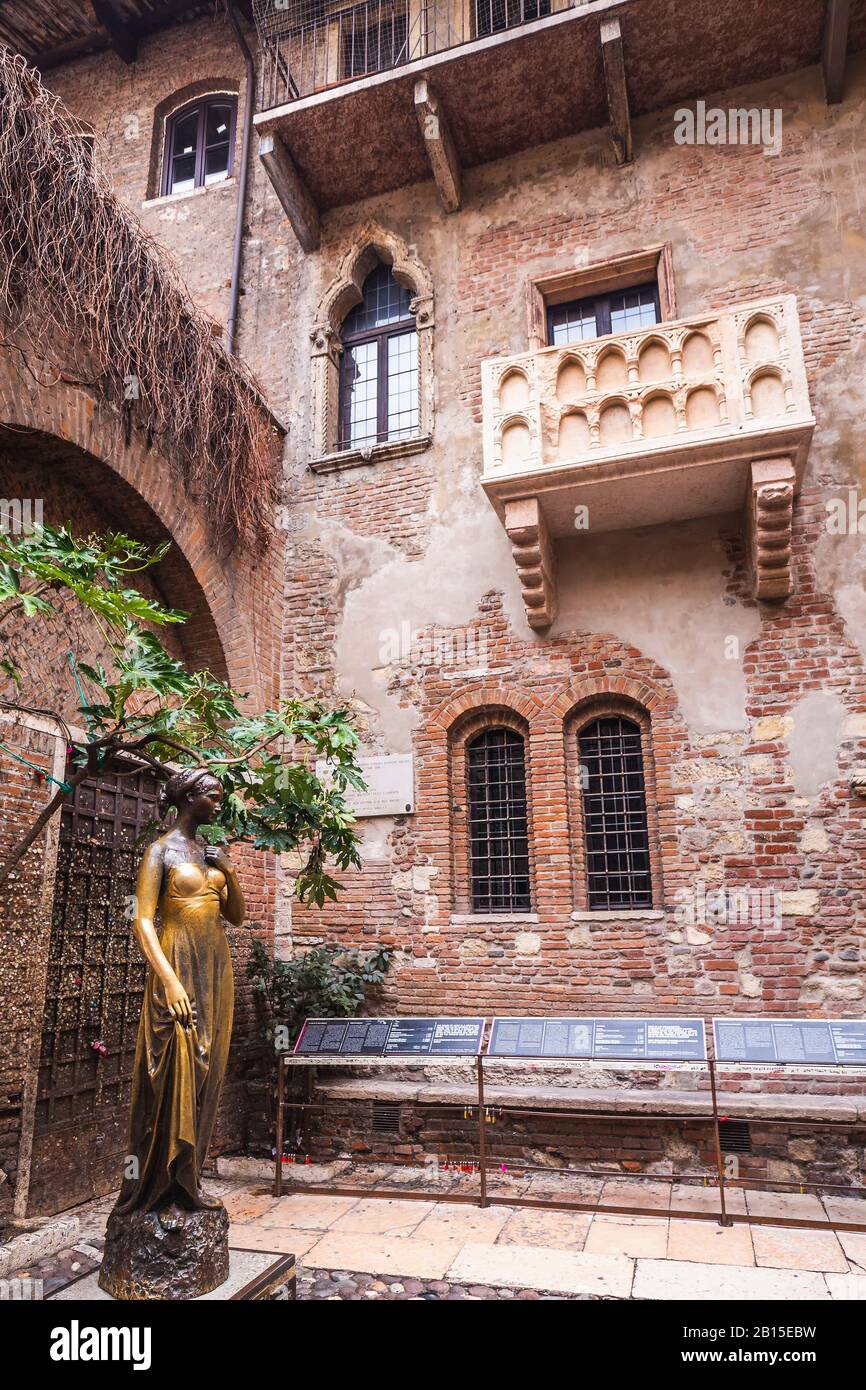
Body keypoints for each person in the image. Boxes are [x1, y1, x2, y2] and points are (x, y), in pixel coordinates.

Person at [112, 767, 244, 1220]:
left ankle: (190, 1180)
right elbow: (142, 920)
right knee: (173, 1070)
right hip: (176, 963)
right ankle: (156, 1184)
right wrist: (168, 980)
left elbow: (237, 916)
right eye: (213, 795)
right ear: (188, 798)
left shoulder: (211, 854)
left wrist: (228, 871)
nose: (219, 803)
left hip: (214, 966)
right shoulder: (159, 852)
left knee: (209, 1072)